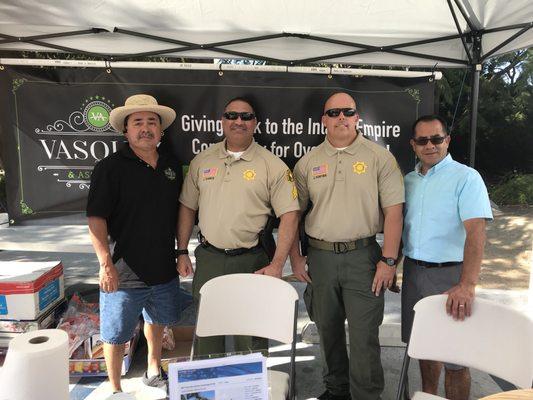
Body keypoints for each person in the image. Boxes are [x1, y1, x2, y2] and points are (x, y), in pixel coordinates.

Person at [290, 92, 405, 400]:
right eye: (333, 112)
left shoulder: (379, 157)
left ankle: (367, 395)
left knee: (364, 333)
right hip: (320, 257)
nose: (341, 116)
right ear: (323, 121)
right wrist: (296, 259)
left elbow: (394, 213)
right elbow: (293, 215)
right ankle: (336, 390)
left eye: (348, 111)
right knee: (326, 330)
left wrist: (389, 261)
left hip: (364, 258)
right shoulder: (307, 162)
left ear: (357, 117)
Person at [177, 96, 299, 356]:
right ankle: (209, 393)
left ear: (255, 123)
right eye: (232, 116)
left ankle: (252, 391)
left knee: (251, 338)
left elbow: (290, 216)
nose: (238, 121)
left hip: (252, 260)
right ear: (222, 122)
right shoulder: (202, 161)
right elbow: (187, 207)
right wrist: (182, 251)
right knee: (207, 335)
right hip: (209, 258)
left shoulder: (272, 165)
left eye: (246, 116)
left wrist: (278, 264)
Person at [87, 94, 182, 394]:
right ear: (125, 131)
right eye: (137, 122)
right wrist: (105, 264)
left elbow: (181, 212)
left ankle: (153, 369)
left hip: (164, 267)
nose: (145, 128)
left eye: (151, 122)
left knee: (157, 321)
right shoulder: (110, 168)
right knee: (115, 335)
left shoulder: (172, 166)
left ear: (161, 131)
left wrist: (181, 251)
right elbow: (96, 219)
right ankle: (115, 388)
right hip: (123, 271)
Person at [401, 114, 492, 399]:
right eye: (423, 140)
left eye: (437, 139)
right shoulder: (408, 181)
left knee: (455, 358)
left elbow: (476, 232)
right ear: (413, 145)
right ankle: (429, 394)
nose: (430, 145)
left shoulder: (466, 177)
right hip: (415, 273)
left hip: (452, 276)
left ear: (447, 141)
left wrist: (467, 284)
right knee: (424, 347)